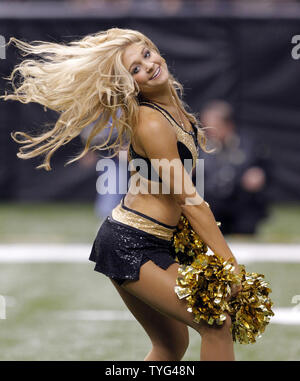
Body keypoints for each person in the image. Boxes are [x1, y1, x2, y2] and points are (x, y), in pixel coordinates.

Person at [1, 28, 250, 361]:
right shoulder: (151, 122)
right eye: (134, 69)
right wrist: (230, 264)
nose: (146, 66)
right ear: (129, 84)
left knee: (171, 346)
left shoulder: (173, 108)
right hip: (130, 244)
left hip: (154, 241)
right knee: (216, 323)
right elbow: (189, 200)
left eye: (146, 55)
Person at [196, 100, 270, 235]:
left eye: (213, 127)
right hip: (212, 203)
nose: (209, 132)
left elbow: (266, 169)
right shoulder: (200, 147)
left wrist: (259, 173)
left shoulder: (249, 145)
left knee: (244, 229)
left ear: (228, 125)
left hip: (241, 202)